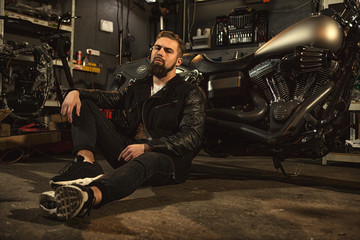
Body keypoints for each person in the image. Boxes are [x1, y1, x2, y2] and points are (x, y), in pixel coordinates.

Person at [42, 31, 206, 220]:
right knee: (85, 104)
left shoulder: (189, 92)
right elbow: (108, 97)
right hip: (127, 150)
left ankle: (88, 197)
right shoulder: (139, 87)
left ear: (178, 61)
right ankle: (86, 164)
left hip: (167, 161)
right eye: (157, 48)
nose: (160, 52)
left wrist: (148, 147)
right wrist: (76, 92)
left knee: (148, 159)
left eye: (168, 50)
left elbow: (192, 137)